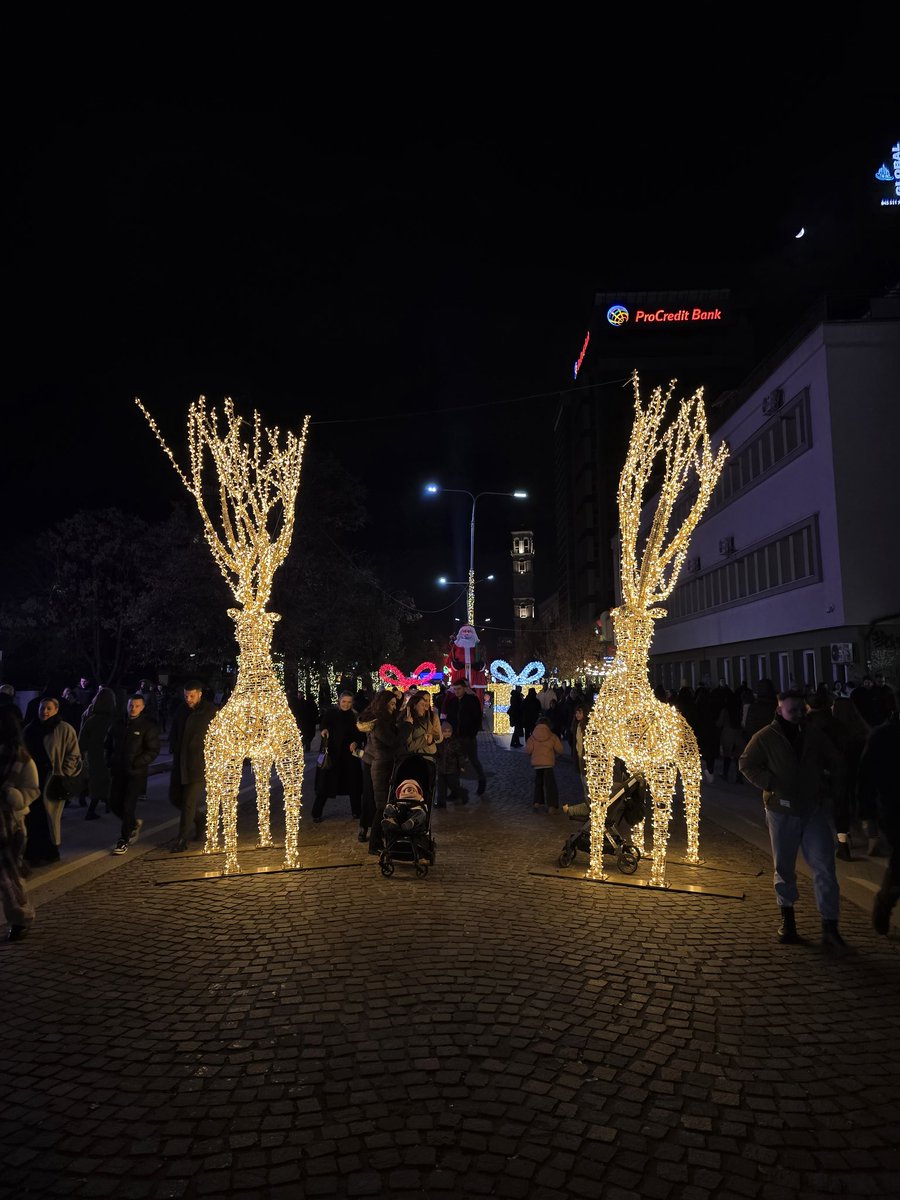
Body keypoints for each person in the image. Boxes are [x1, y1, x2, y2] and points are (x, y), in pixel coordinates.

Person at [739, 688, 850, 953]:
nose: (799, 715)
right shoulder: (766, 736)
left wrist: (825, 782)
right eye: (793, 710)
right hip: (781, 810)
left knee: (825, 866)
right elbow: (746, 763)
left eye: (802, 710)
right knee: (784, 867)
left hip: (811, 808)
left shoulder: (813, 734)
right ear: (779, 711)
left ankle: (830, 927)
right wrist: (772, 784)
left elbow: (834, 759)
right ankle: (788, 922)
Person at [856, 686, 900, 934]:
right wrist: (867, 815)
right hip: (895, 810)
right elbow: (866, 777)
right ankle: (885, 902)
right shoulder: (884, 736)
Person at [22, 697, 83, 866]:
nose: (45, 711)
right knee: (33, 817)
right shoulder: (30, 729)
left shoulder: (64, 729)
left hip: (52, 780)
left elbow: (73, 754)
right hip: (33, 779)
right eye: (42, 708)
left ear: (56, 710)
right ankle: (32, 852)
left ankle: (50, 852)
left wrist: (64, 773)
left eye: (49, 708)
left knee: (49, 817)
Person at [0, 705, 39, 941]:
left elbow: (32, 790)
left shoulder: (21, 759)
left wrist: (13, 796)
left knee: (9, 879)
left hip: (9, 825)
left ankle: (19, 918)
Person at [105, 693, 161, 854]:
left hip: (135, 773)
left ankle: (123, 839)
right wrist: (109, 761)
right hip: (118, 771)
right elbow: (108, 745)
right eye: (131, 705)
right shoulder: (117, 725)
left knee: (128, 806)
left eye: (137, 706)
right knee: (114, 803)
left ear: (142, 707)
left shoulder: (147, 726)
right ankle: (133, 824)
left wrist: (137, 762)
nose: (133, 708)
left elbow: (153, 750)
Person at [168, 679, 218, 853]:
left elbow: (217, 736)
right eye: (186, 695)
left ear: (199, 694)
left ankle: (182, 838)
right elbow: (174, 731)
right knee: (174, 797)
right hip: (180, 762)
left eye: (191, 695)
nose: (188, 699)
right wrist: (173, 747)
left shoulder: (210, 711)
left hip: (197, 764)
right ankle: (200, 819)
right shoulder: (181, 710)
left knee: (189, 802)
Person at [356, 690, 405, 850]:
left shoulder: (383, 719)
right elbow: (391, 741)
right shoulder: (381, 723)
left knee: (383, 803)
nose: (394, 706)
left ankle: (381, 839)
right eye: (391, 704)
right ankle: (375, 843)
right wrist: (406, 726)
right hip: (381, 765)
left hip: (381, 763)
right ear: (383, 705)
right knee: (381, 805)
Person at [312, 691, 363, 824]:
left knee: (354, 783)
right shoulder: (331, 713)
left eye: (349, 702)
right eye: (344, 701)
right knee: (325, 784)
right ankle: (316, 812)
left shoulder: (355, 716)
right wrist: (324, 730)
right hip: (332, 754)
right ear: (339, 701)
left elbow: (360, 734)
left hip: (349, 755)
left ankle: (356, 810)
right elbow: (324, 724)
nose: (346, 704)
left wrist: (356, 742)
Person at [78, 687, 118, 820]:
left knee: (96, 780)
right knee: (103, 781)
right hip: (106, 754)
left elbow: (82, 739)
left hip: (93, 754)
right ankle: (92, 810)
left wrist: (82, 753)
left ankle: (104, 803)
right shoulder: (112, 720)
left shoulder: (92, 719)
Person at [443, 679, 487, 796]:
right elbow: (450, 718)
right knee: (455, 764)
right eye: (455, 689)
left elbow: (477, 718)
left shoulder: (472, 700)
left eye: (459, 689)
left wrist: (472, 733)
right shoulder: (453, 702)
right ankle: (455, 790)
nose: (456, 691)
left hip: (468, 736)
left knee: (473, 760)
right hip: (455, 737)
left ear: (464, 688)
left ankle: (482, 780)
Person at [525, 713, 565, 811]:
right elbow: (560, 750)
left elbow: (528, 750)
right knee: (550, 784)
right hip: (548, 763)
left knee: (538, 782)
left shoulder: (532, 737)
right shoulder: (552, 736)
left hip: (537, 764)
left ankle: (537, 802)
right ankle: (552, 805)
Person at [433, 720, 468, 808]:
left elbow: (460, 755)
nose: (447, 733)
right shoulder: (439, 743)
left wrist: (461, 766)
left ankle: (463, 794)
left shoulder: (454, 742)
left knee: (454, 786)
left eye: (449, 732)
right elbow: (436, 754)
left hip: (452, 770)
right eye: (445, 731)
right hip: (441, 769)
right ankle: (441, 803)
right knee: (441, 788)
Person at [403, 691, 443, 758]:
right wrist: (425, 738)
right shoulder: (409, 718)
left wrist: (432, 738)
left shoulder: (433, 716)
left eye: (428, 700)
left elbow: (439, 737)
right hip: (414, 756)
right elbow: (409, 745)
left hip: (428, 754)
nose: (426, 703)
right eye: (424, 701)